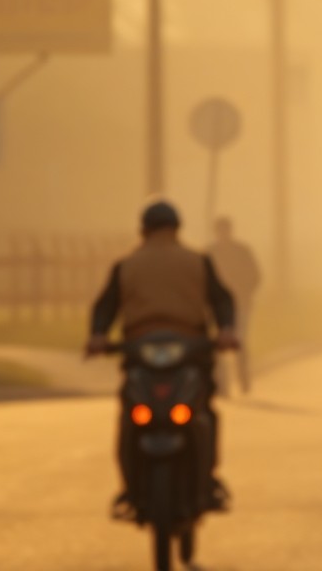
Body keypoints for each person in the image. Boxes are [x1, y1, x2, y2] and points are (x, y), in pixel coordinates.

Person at [87, 201, 238, 520]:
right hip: (191, 350)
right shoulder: (197, 261)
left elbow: (105, 306)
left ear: (143, 230)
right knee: (204, 411)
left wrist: (98, 336)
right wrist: (225, 330)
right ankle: (208, 480)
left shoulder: (127, 265)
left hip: (139, 353)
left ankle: (130, 489)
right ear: (177, 229)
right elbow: (221, 300)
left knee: (130, 418)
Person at [208, 217, 261, 396]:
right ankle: (222, 385)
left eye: (225, 230)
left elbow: (255, 275)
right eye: (220, 230)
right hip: (216, 307)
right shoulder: (210, 253)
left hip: (240, 303)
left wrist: (245, 292)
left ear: (230, 231)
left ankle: (243, 378)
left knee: (240, 340)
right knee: (217, 344)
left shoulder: (242, 251)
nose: (223, 234)